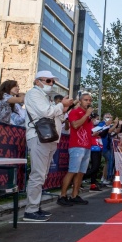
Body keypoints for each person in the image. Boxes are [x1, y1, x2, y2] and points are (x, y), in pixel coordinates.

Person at [24, 71, 74, 221]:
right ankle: (30, 210)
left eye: (52, 81)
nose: (51, 84)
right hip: (39, 137)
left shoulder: (44, 97)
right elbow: (46, 112)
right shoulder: (34, 94)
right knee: (38, 174)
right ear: (37, 81)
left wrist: (64, 108)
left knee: (42, 174)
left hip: (49, 138)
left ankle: (34, 207)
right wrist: (61, 105)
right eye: (48, 81)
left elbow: (56, 116)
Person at [57, 93, 95, 206]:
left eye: (90, 100)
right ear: (80, 101)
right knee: (72, 170)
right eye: (86, 100)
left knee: (81, 172)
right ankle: (62, 196)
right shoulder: (74, 112)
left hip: (87, 146)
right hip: (76, 146)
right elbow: (75, 125)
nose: (88, 102)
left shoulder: (87, 115)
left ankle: (75, 195)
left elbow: (88, 130)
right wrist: (86, 115)